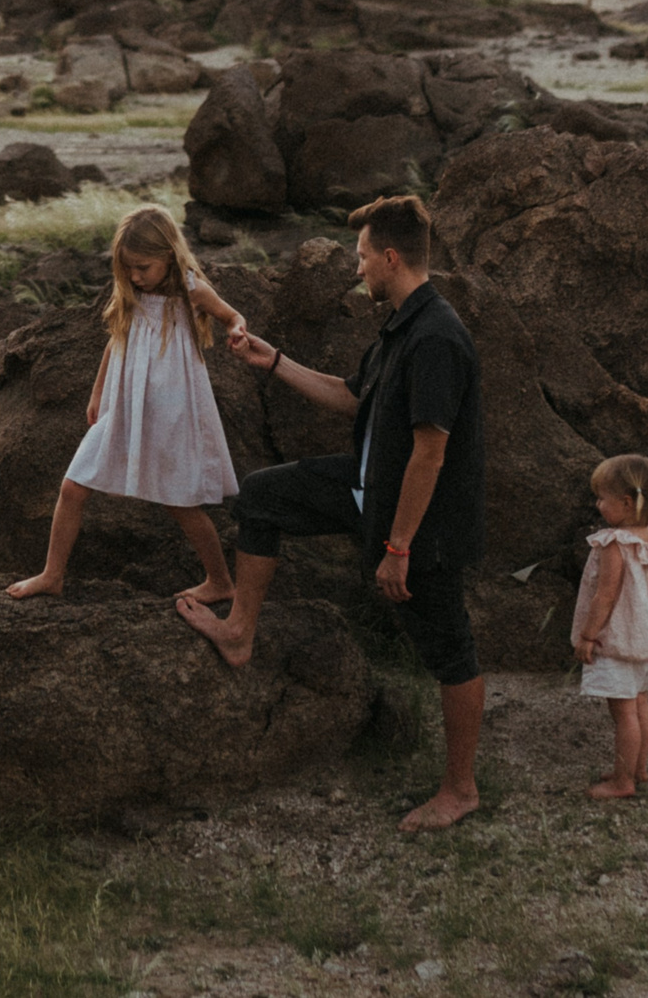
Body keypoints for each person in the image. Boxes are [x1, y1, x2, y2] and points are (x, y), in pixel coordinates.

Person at [178, 194, 488, 834]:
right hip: (368, 490)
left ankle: (460, 789)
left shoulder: (436, 337)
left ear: (392, 257)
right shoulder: (401, 324)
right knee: (262, 494)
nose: (358, 269)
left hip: (419, 519)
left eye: (363, 257)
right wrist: (275, 362)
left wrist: (398, 548)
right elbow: (353, 400)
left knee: (450, 649)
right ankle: (240, 629)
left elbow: (431, 451)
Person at [6, 205, 248, 602]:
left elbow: (231, 316)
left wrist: (238, 331)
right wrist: (98, 391)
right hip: (124, 406)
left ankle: (220, 581)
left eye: (143, 267)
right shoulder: (134, 291)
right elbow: (117, 338)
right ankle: (52, 574)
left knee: (180, 502)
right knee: (72, 486)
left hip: (171, 410)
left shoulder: (191, 290)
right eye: (128, 268)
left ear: (169, 255)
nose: (135, 276)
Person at [571, 453, 648, 802]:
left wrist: (587, 635)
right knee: (641, 704)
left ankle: (622, 780)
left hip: (616, 638)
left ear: (626, 502)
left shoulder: (615, 542)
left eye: (602, 498)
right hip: (645, 637)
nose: (598, 504)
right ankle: (638, 768)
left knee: (623, 712)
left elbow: (605, 595)